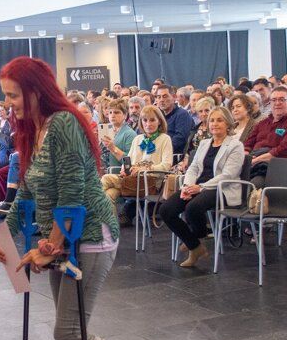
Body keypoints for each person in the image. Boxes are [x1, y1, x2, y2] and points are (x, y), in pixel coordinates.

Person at [0, 56, 162, 340]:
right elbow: (28, 193)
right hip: (66, 237)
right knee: (74, 334)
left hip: (87, 236)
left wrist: (48, 246)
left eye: (13, 95)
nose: (9, 103)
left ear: (35, 91)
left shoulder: (64, 124)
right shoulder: (38, 128)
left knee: (69, 332)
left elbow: (71, 196)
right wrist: (7, 235)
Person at [158, 107, 245, 269]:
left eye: (219, 120)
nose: (215, 124)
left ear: (228, 124)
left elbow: (228, 175)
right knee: (166, 210)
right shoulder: (204, 143)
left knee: (192, 208)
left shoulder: (235, 145)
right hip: (196, 185)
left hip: (222, 188)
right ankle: (195, 246)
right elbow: (193, 168)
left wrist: (200, 187)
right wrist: (187, 186)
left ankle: (193, 241)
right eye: (212, 120)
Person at [102, 105, 173, 206]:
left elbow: (166, 165)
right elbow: (128, 161)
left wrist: (144, 169)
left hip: (151, 182)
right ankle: (115, 221)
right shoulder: (138, 139)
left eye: (152, 120)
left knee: (106, 178)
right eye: (145, 120)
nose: (148, 124)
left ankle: (87, 208)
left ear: (159, 121)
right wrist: (124, 168)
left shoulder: (165, 138)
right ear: (141, 122)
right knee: (108, 196)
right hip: (131, 180)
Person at [243, 85, 287, 186]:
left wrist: (254, 161)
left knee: (252, 186)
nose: (277, 103)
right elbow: (248, 143)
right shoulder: (262, 123)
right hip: (252, 162)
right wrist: (245, 157)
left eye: (282, 100)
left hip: (273, 168)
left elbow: (282, 151)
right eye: (274, 100)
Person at [98, 99, 137, 171]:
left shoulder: (130, 134)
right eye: (110, 112)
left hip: (118, 175)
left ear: (125, 115)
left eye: (116, 112)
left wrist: (113, 148)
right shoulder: (106, 130)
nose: (112, 115)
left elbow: (130, 162)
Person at [154, 84, 194, 155]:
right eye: (159, 97)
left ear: (174, 97)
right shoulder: (158, 116)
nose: (161, 100)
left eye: (165, 96)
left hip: (174, 155)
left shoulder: (182, 114)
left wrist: (159, 150)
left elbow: (180, 139)